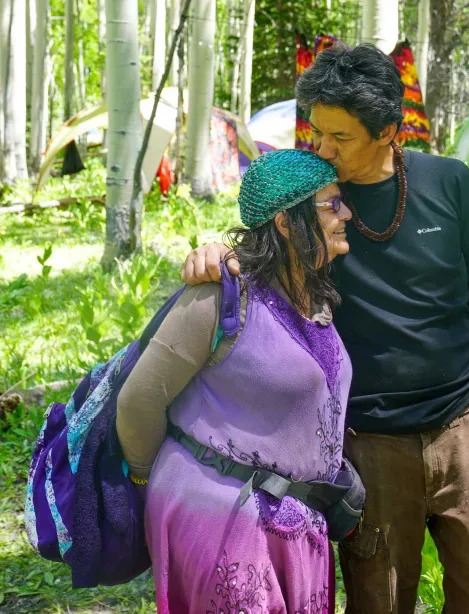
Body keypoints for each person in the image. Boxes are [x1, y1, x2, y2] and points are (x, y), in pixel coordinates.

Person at [182, 43, 469, 614]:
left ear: (389, 130)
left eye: (338, 137)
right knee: (380, 601)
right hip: (367, 446)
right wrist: (215, 253)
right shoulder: (315, 201)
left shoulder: (449, 183)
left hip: (467, 431)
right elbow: (261, 248)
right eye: (316, 132)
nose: (321, 149)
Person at [117, 149, 354, 614]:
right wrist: (143, 481)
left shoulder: (315, 291)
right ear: (287, 223)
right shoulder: (222, 296)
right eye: (331, 205)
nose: (346, 214)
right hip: (222, 521)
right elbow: (138, 401)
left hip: (294, 523)